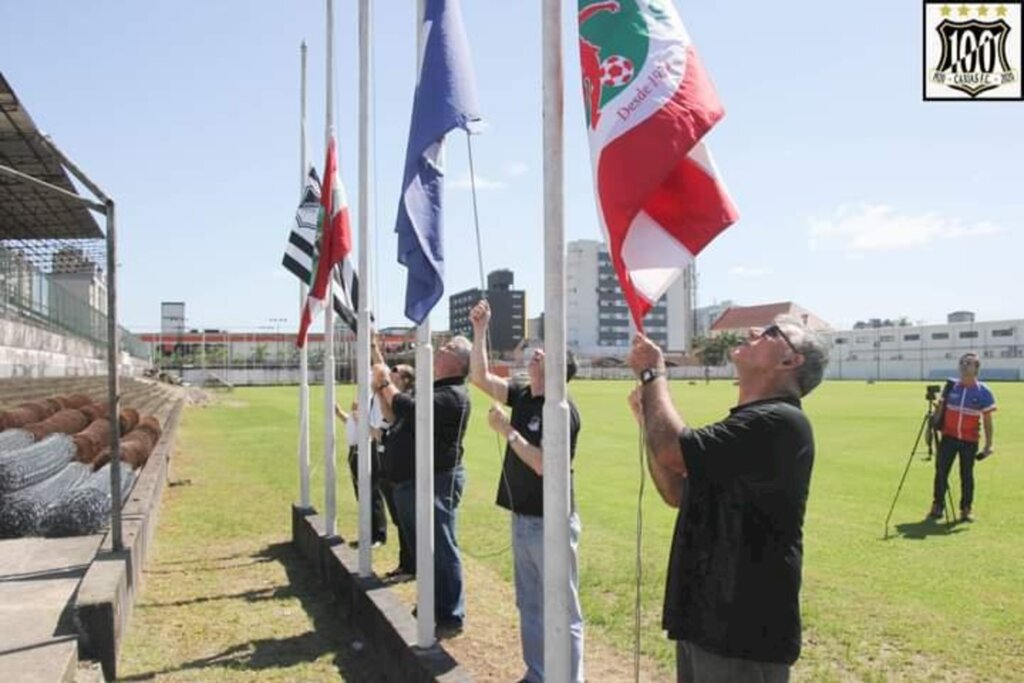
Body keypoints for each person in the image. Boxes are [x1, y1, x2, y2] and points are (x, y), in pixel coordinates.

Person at [627, 316, 828, 682]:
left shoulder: (778, 422)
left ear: (790, 361)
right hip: (705, 622)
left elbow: (673, 449)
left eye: (770, 333)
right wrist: (647, 423)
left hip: (743, 632)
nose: (754, 332)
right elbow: (675, 491)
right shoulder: (751, 424)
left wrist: (653, 375)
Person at [468, 299, 585, 683]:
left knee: (562, 609)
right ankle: (538, 674)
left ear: (556, 370)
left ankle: (568, 678)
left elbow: (544, 465)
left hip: (552, 521)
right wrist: (481, 329)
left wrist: (508, 432)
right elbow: (481, 377)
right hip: (524, 519)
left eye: (545, 353)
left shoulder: (562, 409)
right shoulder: (521, 395)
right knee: (530, 604)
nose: (536, 352)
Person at [372, 336, 472, 637]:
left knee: (440, 546)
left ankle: (450, 614)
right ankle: (432, 602)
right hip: (412, 480)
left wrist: (382, 384)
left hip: (436, 480)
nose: (440, 350)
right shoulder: (434, 389)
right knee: (424, 548)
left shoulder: (453, 394)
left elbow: (407, 407)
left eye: (448, 348)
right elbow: (394, 410)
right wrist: (382, 381)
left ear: (458, 362)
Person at [929, 352, 996, 523]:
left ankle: (966, 509)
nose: (964, 365)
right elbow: (941, 408)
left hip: (969, 440)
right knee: (941, 471)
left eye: (969, 363)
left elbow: (987, 420)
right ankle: (938, 505)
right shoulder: (951, 387)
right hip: (949, 437)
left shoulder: (983, 392)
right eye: (962, 363)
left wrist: (988, 444)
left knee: (966, 474)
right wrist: (934, 419)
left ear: (976, 368)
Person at [335, 400, 386, 547]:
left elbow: (373, 431)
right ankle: (368, 533)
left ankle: (378, 535)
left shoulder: (371, 413)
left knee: (372, 493)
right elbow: (348, 421)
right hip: (355, 453)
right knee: (361, 495)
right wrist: (339, 413)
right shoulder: (356, 415)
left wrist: (360, 418)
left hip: (367, 451)